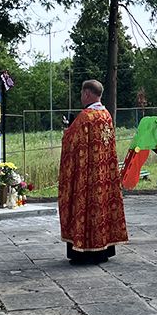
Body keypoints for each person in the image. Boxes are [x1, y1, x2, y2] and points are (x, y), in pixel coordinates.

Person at [58, 80, 127, 263]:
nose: (81, 98)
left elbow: (70, 143)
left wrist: (67, 130)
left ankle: (84, 252)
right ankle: (103, 250)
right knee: (102, 208)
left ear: (87, 94)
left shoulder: (85, 117)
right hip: (104, 176)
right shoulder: (106, 116)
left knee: (85, 208)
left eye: (82, 94)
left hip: (87, 177)